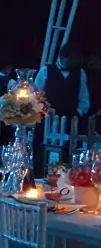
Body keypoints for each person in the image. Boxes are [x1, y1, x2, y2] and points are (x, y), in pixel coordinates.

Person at [33, 42, 90, 174]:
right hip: (47, 119)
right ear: (63, 58)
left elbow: (83, 98)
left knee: (68, 153)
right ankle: (40, 174)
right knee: (42, 150)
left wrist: (78, 113)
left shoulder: (80, 73)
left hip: (70, 120)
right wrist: (42, 110)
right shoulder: (45, 71)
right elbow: (36, 96)